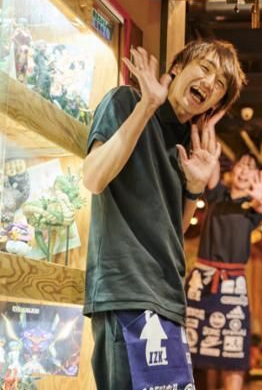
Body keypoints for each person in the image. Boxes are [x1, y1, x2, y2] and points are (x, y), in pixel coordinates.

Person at [82, 40, 246, 390]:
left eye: (219, 84)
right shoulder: (126, 101)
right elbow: (93, 177)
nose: (209, 83)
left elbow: (175, 228)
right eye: (205, 68)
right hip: (127, 289)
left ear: (216, 104)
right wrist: (146, 107)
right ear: (178, 67)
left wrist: (195, 188)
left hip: (169, 297)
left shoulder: (188, 145)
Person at [185, 154, 262, 390]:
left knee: (234, 354)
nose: (244, 171)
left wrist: (261, 201)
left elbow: (261, 207)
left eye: (250, 167)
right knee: (189, 349)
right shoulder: (217, 194)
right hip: (201, 281)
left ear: (255, 176)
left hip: (233, 285)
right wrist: (212, 149)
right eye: (241, 165)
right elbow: (212, 172)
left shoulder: (252, 206)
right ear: (232, 170)